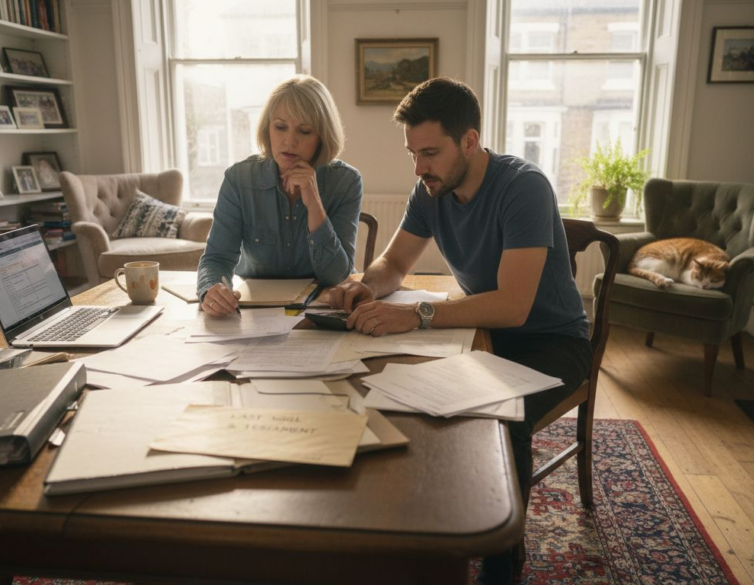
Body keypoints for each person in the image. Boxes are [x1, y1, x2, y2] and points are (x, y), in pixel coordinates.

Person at [328, 77, 592, 584]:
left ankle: (501, 565)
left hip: (551, 341)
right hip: (479, 330)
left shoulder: (524, 188)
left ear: (469, 141)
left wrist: (416, 315)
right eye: (412, 153)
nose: (418, 166)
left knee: (501, 416)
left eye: (429, 152)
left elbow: (514, 308)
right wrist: (366, 286)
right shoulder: (430, 188)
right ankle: (409, 528)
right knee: (387, 384)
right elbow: (395, 263)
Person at [198, 75, 363, 317]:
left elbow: (337, 275)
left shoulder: (346, 181)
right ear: (268, 128)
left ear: (322, 137)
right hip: (255, 310)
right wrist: (211, 290)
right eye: (280, 126)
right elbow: (216, 258)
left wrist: (314, 202)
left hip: (320, 311)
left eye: (304, 131)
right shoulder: (239, 179)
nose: (289, 141)